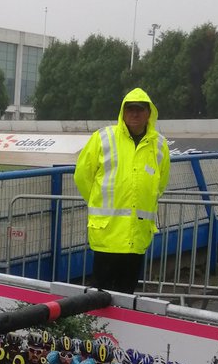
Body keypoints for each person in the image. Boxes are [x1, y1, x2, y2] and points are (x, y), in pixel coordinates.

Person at [73, 88, 170, 294]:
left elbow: (160, 185)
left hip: (136, 238)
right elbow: (82, 176)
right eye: (130, 109)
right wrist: (96, 200)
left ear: (149, 113)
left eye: (140, 109)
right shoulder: (103, 138)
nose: (134, 114)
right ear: (123, 112)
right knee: (99, 298)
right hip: (107, 237)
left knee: (126, 297)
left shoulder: (160, 145)